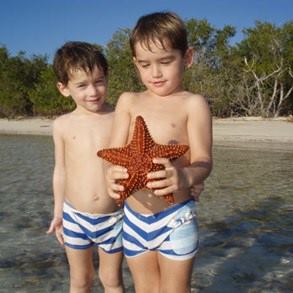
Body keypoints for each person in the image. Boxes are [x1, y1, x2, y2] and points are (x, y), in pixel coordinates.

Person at [106, 12, 213, 293]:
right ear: (135, 64)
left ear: (187, 57)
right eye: (145, 64)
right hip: (134, 218)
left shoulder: (193, 104)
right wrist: (111, 176)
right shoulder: (128, 101)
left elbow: (204, 161)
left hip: (175, 217)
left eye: (166, 61)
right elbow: (113, 155)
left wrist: (184, 176)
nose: (155, 73)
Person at [46, 41, 124, 293]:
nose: (93, 91)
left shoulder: (120, 116)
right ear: (63, 88)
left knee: (111, 280)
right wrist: (58, 212)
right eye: (82, 85)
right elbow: (61, 171)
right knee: (80, 281)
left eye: (99, 81)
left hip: (114, 217)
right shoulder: (62, 125)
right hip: (75, 217)